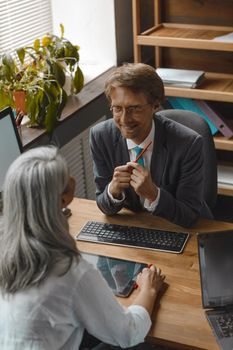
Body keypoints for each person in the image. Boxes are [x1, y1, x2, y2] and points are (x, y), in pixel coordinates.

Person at [0, 145, 165, 350]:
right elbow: (128, 333)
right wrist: (148, 291)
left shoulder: (5, 249)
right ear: (63, 198)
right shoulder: (69, 272)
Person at [90, 63, 212, 228]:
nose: (125, 120)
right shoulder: (100, 136)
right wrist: (113, 190)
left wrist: (154, 195)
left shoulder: (189, 144)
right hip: (133, 228)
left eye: (134, 108)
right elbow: (104, 206)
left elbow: (189, 215)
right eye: (117, 109)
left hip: (178, 228)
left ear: (155, 105)